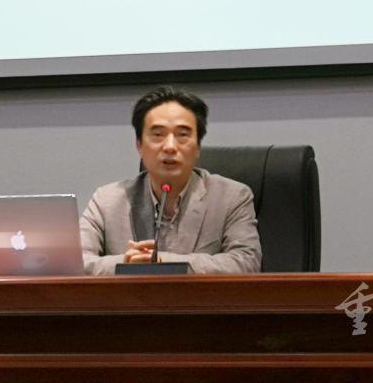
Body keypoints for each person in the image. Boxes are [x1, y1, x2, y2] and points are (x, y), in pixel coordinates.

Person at [79, 86, 261, 275]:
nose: (170, 146)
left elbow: (246, 262)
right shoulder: (107, 201)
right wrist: (128, 264)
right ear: (139, 145)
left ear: (198, 147)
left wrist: (163, 261)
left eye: (182, 135)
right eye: (158, 135)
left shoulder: (231, 198)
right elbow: (74, 263)